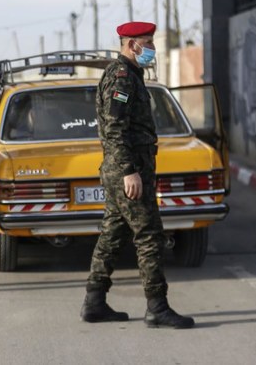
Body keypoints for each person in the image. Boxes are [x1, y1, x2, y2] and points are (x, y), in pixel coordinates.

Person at [80, 21, 195, 329]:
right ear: (131, 45)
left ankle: (94, 302)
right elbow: (115, 129)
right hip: (127, 171)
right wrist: (130, 171)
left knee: (113, 234)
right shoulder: (122, 78)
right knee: (150, 236)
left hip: (124, 169)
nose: (152, 49)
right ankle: (157, 307)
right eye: (148, 42)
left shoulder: (131, 75)